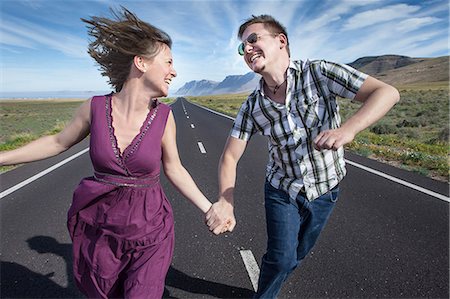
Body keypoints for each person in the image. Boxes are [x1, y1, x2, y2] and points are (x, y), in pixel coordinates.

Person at [0, 8, 213, 298]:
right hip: (101, 232)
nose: (174, 71)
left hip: (151, 231)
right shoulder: (94, 108)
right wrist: (1, 158)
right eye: (168, 62)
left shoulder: (165, 117)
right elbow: (57, 142)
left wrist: (209, 208)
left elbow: (174, 168)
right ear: (140, 63)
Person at [205, 14, 400, 298]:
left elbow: (387, 92)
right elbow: (229, 157)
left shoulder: (319, 73)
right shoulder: (252, 106)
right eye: (242, 48)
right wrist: (226, 201)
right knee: (281, 258)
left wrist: (347, 130)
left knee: (296, 255)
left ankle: (276, 273)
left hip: (325, 189)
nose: (246, 50)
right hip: (282, 190)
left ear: (281, 41)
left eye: (253, 40)